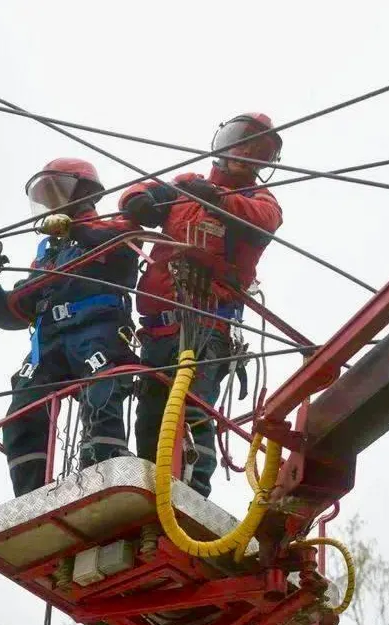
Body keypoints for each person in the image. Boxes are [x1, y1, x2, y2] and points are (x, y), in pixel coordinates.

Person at [117, 113, 283, 498]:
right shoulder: (187, 187)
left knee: (192, 410)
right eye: (240, 141)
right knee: (152, 419)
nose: (243, 153)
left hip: (208, 326)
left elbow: (262, 220)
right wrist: (137, 200)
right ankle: (151, 493)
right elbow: (142, 192)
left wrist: (218, 199)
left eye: (256, 150)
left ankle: (191, 495)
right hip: (160, 329)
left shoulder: (260, 201)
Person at [0, 158, 141, 497]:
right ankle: (30, 494)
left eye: (57, 189)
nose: (51, 200)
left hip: (95, 328)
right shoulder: (48, 252)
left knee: (102, 387)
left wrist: (75, 229)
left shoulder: (112, 227)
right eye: (45, 194)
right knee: (23, 408)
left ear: (84, 191)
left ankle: (105, 463)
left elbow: (125, 244)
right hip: (50, 341)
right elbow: (11, 311)